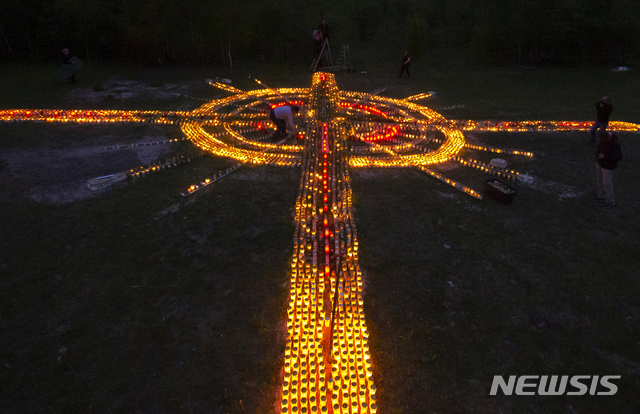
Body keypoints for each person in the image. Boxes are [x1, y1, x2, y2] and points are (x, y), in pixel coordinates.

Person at [595, 131, 623, 208]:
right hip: (601, 163)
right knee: (599, 180)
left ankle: (610, 201)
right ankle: (601, 195)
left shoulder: (614, 144)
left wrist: (605, 157)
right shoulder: (603, 140)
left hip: (609, 166)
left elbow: (619, 157)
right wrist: (597, 156)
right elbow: (599, 149)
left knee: (606, 183)